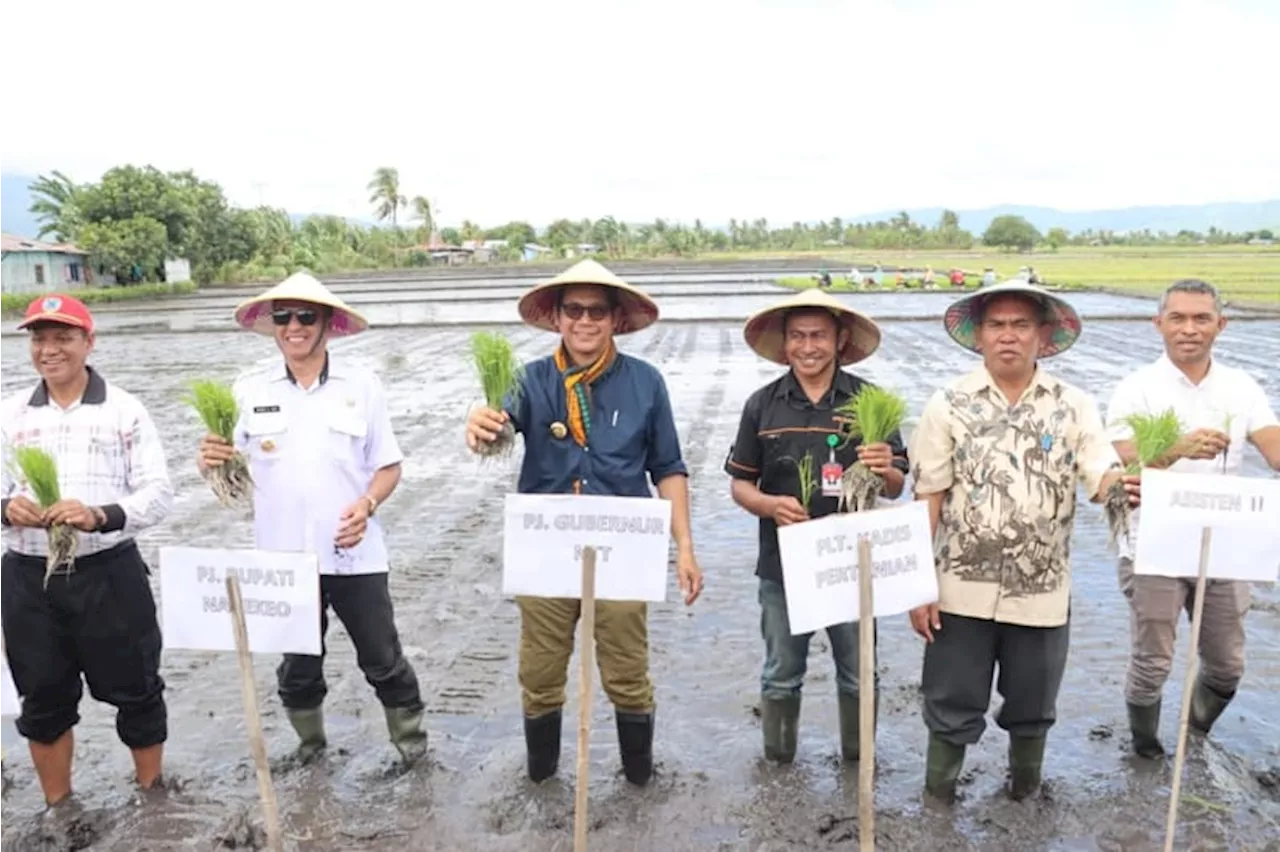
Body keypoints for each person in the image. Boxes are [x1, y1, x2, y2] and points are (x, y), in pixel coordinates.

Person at [464, 258, 704, 787]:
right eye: (574, 309)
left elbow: (668, 468)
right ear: (557, 317)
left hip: (623, 552)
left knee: (626, 672)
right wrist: (480, 425)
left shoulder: (646, 383)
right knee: (541, 673)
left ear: (616, 319)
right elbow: (497, 424)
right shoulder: (529, 381)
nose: (585, 321)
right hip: (546, 552)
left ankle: (639, 779)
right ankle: (542, 780)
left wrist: (683, 545)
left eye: (598, 310)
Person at [907, 279, 1140, 803]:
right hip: (959, 589)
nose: (1008, 336)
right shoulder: (948, 404)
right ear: (979, 336)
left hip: (1041, 590)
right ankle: (938, 801)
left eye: (1020, 325)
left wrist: (1117, 487)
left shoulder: (1072, 405)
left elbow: (1100, 469)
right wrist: (917, 585)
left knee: (1033, 705)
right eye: (997, 325)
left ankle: (1025, 796)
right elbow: (929, 498)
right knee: (950, 701)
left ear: (1041, 336)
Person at [196, 271, 428, 765]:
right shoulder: (248, 388)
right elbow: (226, 465)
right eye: (283, 316)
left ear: (328, 324)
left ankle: (412, 749)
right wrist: (210, 461)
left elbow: (389, 465)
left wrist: (366, 506)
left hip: (354, 555)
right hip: (284, 558)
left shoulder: (361, 386)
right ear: (273, 324)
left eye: (306, 316)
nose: (293, 326)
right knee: (299, 666)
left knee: (383, 660)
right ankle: (310, 749)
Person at [0, 294, 174, 806]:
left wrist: (100, 515)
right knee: (43, 698)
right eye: (39, 338)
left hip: (108, 573)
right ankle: (60, 806)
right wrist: (6, 506)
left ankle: (152, 796)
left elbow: (158, 492)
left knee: (138, 689)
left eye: (63, 337)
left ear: (88, 342)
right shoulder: (8, 414)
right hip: (30, 580)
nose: (48, 349)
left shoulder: (123, 409)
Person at [725, 288, 908, 764]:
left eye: (820, 336)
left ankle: (858, 762)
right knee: (781, 672)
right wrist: (769, 505)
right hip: (783, 566)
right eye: (799, 337)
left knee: (859, 671)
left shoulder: (871, 402)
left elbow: (895, 487)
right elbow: (741, 485)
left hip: (853, 565)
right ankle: (779, 761)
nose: (809, 346)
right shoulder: (762, 406)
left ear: (840, 339)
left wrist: (884, 465)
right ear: (785, 344)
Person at [1104, 278, 1280, 759]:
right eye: (1177, 318)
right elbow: (1123, 462)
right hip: (1153, 546)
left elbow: (1272, 446)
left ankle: (1193, 737)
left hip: (1224, 547)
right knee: (1153, 663)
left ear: (1220, 325)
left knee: (1226, 664)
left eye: (1201, 318)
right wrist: (1176, 447)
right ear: (1157, 324)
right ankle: (1145, 748)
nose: (1189, 329)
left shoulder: (1241, 388)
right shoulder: (1136, 389)